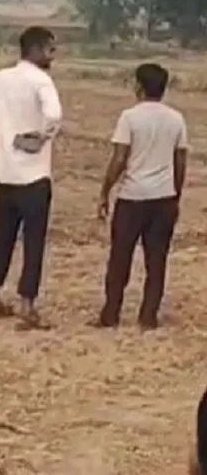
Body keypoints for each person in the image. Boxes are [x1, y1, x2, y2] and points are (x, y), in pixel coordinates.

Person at [0, 26, 62, 329]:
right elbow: (55, 115)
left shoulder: (2, 78)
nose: (52, 56)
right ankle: (27, 304)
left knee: (2, 236)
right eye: (49, 49)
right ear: (35, 50)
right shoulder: (41, 81)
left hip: (6, 175)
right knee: (33, 242)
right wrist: (41, 136)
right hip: (34, 177)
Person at [95, 63, 187, 330]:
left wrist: (105, 191)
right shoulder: (176, 119)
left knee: (120, 258)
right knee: (156, 260)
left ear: (138, 86)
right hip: (163, 198)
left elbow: (120, 158)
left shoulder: (130, 117)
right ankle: (148, 316)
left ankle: (111, 313)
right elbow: (180, 163)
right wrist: (175, 195)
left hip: (132, 197)